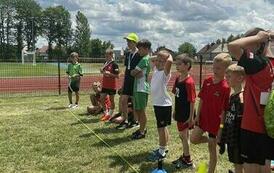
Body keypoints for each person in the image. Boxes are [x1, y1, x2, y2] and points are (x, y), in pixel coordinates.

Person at [228, 28, 274, 173]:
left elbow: (232, 46)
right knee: (265, 162)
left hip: (253, 125)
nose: (245, 47)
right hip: (268, 125)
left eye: (249, 42)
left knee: (251, 165)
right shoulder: (270, 64)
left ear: (259, 44)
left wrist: (259, 37)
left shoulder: (259, 64)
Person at [190, 53, 232, 173]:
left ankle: (211, 171)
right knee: (193, 139)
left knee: (212, 149)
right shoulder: (207, 81)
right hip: (203, 119)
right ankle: (209, 140)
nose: (215, 70)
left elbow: (224, 110)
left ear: (226, 70)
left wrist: (221, 128)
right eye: (214, 67)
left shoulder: (225, 87)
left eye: (218, 68)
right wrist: (197, 116)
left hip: (215, 124)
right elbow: (201, 99)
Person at [170, 54, 196, 169]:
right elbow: (177, 96)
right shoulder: (177, 78)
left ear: (187, 65)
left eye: (179, 64)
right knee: (184, 136)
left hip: (186, 113)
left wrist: (191, 118)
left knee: (183, 136)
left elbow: (192, 101)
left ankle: (188, 159)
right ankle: (186, 156)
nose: (177, 66)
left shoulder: (189, 82)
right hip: (180, 111)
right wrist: (175, 110)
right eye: (176, 64)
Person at [147, 50, 173, 161]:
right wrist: (159, 56)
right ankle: (165, 147)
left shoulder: (165, 73)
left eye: (161, 61)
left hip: (163, 105)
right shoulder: (156, 69)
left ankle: (161, 151)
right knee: (163, 127)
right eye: (157, 60)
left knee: (161, 128)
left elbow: (170, 61)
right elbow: (149, 59)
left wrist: (169, 56)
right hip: (158, 104)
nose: (157, 62)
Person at [219, 64, 245, 173]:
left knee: (239, 163)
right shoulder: (232, 96)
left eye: (229, 76)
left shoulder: (241, 97)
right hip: (231, 136)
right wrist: (222, 132)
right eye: (226, 76)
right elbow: (227, 118)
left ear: (240, 78)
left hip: (238, 138)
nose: (226, 79)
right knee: (235, 163)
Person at [116, 33, 141, 129]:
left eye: (130, 41)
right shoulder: (128, 54)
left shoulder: (139, 54)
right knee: (123, 100)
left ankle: (135, 121)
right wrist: (123, 82)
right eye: (127, 41)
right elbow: (127, 68)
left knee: (134, 101)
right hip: (127, 80)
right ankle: (125, 120)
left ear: (135, 42)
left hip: (135, 80)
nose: (128, 43)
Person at [130, 39, 151, 139]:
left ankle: (142, 131)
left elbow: (133, 72)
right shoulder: (143, 58)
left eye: (141, 49)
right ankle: (142, 128)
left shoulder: (145, 59)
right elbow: (133, 73)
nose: (139, 51)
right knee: (138, 109)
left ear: (147, 49)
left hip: (141, 88)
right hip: (138, 87)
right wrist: (134, 73)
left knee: (141, 110)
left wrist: (134, 73)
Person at [99, 48, 119, 121]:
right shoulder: (105, 63)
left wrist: (110, 74)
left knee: (111, 100)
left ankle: (110, 114)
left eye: (107, 55)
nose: (106, 57)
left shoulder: (115, 64)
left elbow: (117, 76)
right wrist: (102, 71)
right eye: (105, 55)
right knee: (102, 99)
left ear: (111, 55)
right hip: (105, 85)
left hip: (111, 85)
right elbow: (104, 72)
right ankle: (106, 113)